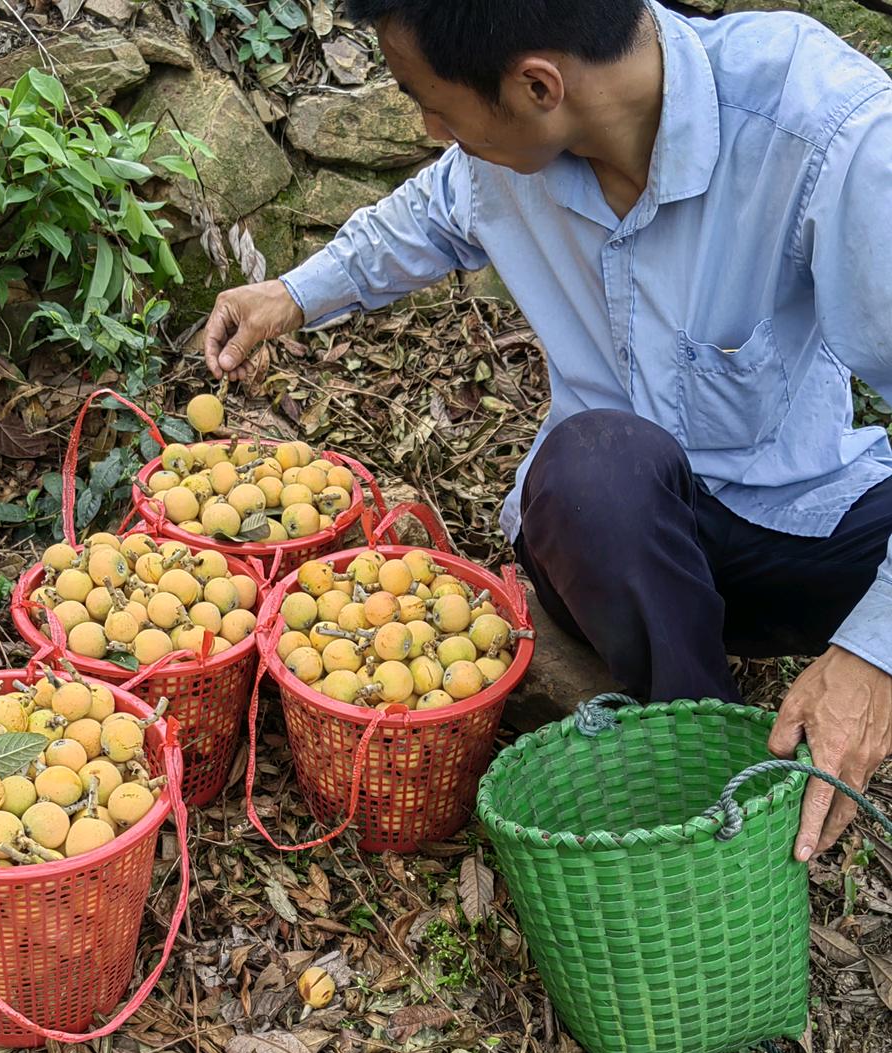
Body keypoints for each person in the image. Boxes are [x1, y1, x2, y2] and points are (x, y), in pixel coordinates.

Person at [202, 0, 892, 862]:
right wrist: (291, 295)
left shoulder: (829, 131)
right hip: (609, 541)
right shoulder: (500, 159)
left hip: (796, 525)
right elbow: (428, 214)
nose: (428, 128)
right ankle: (705, 759)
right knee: (595, 465)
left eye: (435, 103)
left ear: (537, 87)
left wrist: (874, 655)